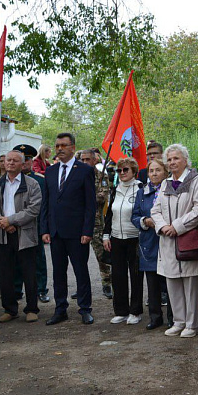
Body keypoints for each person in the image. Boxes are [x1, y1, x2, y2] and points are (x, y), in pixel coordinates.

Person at [151, 144, 198, 338]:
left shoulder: (197, 181)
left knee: (190, 284)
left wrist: (176, 226)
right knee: (172, 283)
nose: (172, 162)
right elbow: (155, 210)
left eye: (176, 158)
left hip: (187, 239)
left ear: (185, 160)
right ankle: (178, 321)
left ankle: (192, 324)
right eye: (169, 159)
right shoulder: (166, 183)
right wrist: (162, 226)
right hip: (167, 240)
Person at [41, 132, 96, 326]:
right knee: (58, 273)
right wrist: (45, 229)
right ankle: (60, 309)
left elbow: (90, 205)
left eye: (63, 145)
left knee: (81, 271)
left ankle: (85, 309)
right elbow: (46, 203)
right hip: (56, 232)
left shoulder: (85, 171)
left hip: (77, 233)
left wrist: (87, 231)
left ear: (73, 147)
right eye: (57, 146)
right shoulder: (50, 171)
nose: (59, 149)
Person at [0, 150, 42, 323]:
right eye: (8, 160)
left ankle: (32, 309)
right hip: (2, 235)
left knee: (29, 273)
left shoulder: (32, 184)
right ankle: (9, 309)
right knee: (6, 274)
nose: (10, 163)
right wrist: (2, 223)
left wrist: (11, 221)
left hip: (24, 234)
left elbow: (33, 209)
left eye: (15, 160)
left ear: (23, 164)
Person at [132, 158, 173, 330]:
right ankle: (155, 317)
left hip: (168, 239)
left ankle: (174, 318)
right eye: (151, 171)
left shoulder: (172, 189)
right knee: (152, 282)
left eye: (158, 170)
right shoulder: (142, 192)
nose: (154, 173)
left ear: (165, 172)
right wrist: (144, 220)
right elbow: (134, 216)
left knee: (170, 283)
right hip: (149, 241)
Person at [103, 157, 144, 325]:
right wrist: (106, 235)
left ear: (134, 171)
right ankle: (121, 311)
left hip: (134, 237)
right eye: (119, 170)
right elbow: (109, 214)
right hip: (116, 237)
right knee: (118, 275)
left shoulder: (141, 188)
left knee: (136, 276)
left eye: (125, 170)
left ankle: (135, 311)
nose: (121, 173)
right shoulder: (115, 189)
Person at [11, 145, 49, 303]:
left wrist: (44, 228)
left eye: (27, 159)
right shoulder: (10, 181)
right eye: (22, 159)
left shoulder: (40, 180)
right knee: (16, 260)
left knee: (38, 259)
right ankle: (17, 289)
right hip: (15, 226)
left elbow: (45, 206)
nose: (25, 163)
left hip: (35, 226)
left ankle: (41, 289)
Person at [80, 149, 113, 300]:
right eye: (83, 160)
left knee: (101, 255)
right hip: (78, 222)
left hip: (96, 222)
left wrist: (83, 198)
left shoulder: (101, 176)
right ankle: (82, 287)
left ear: (94, 161)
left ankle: (107, 283)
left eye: (88, 159)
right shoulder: (76, 176)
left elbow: (102, 197)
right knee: (79, 257)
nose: (85, 162)